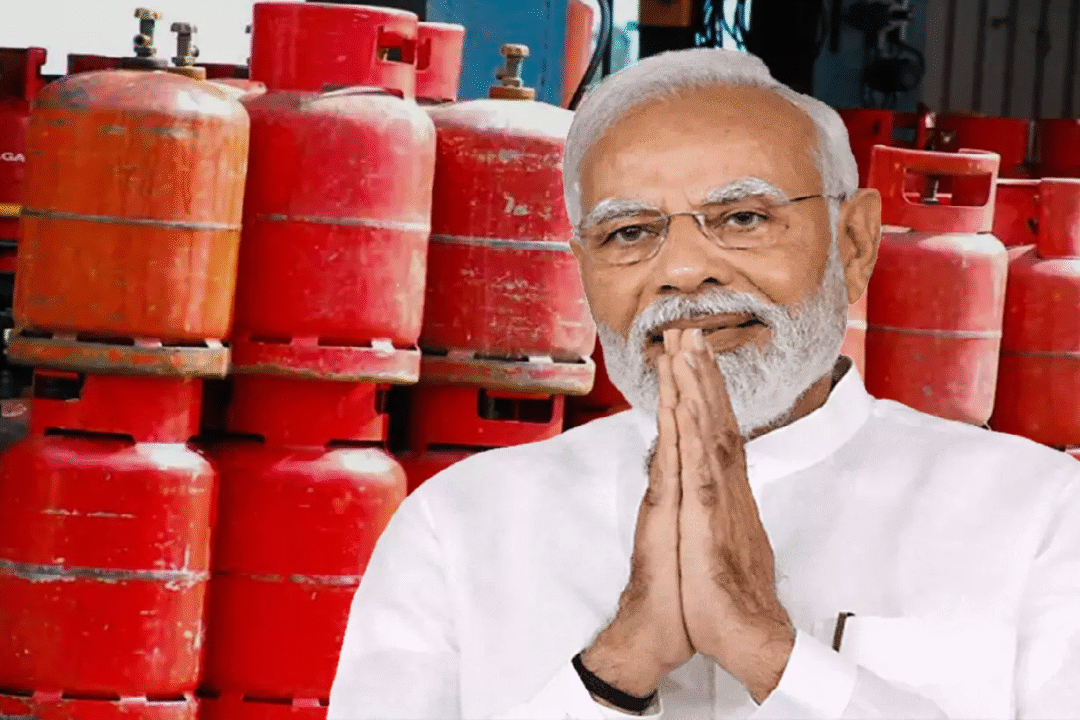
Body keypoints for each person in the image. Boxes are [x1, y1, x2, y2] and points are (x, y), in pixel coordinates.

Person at [327, 48, 1080, 719]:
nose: (685, 271)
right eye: (629, 233)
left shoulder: (1040, 517)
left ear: (854, 243)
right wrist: (616, 669)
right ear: (582, 270)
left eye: (744, 218)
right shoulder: (462, 525)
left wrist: (772, 653)